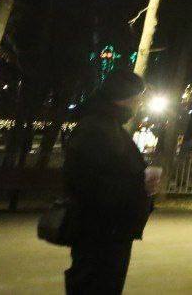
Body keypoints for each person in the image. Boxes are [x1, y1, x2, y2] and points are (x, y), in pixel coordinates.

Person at [62, 69, 155, 294]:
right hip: (101, 233)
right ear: (124, 97)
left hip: (110, 232)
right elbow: (89, 184)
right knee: (95, 286)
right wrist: (140, 186)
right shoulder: (97, 129)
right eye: (139, 97)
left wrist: (143, 182)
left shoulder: (108, 127)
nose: (140, 103)